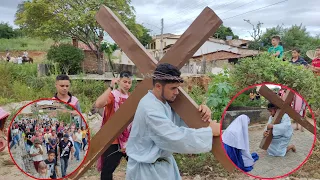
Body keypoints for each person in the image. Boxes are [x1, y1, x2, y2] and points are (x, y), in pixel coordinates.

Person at [125, 63, 220, 180]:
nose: (177, 92)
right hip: (146, 170)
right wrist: (209, 132)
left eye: (178, 88)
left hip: (164, 167)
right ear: (158, 86)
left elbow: (183, 123)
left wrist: (201, 113)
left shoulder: (165, 103)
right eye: (173, 88)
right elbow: (173, 137)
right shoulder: (150, 108)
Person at [94, 71, 133, 179]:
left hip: (128, 139)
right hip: (113, 139)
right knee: (108, 169)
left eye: (129, 82)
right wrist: (111, 87)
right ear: (119, 81)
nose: (127, 85)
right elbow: (98, 104)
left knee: (137, 164)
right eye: (125, 81)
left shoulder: (131, 98)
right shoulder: (113, 95)